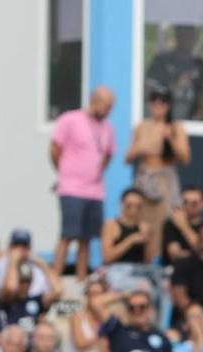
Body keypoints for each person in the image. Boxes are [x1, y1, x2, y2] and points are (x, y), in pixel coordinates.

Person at [50, 87, 117, 281]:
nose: (108, 110)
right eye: (106, 105)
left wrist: (96, 172)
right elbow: (55, 150)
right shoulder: (70, 120)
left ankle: (81, 279)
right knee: (67, 235)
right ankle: (56, 277)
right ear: (94, 101)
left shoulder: (107, 128)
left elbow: (109, 154)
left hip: (95, 191)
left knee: (86, 239)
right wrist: (65, 172)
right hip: (71, 188)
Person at [127, 86, 190, 218]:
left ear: (168, 106)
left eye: (162, 103)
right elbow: (128, 158)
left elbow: (185, 158)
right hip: (144, 179)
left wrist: (170, 139)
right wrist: (141, 148)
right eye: (154, 102)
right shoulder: (141, 127)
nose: (157, 106)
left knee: (164, 218)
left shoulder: (175, 127)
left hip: (164, 179)